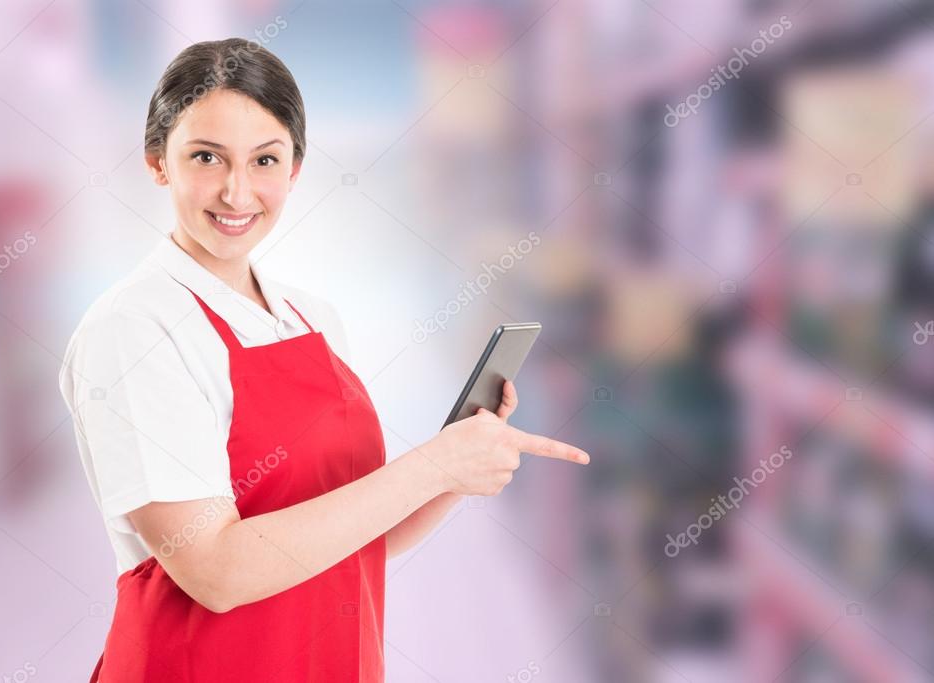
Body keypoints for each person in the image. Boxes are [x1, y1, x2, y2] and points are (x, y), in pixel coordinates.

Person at [58, 37, 590, 683]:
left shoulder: (308, 315)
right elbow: (215, 571)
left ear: (295, 170)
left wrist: (452, 468)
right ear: (156, 162)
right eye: (206, 157)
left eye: (264, 159)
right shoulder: (134, 328)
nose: (236, 191)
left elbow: (359, 542)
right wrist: (428, 464)